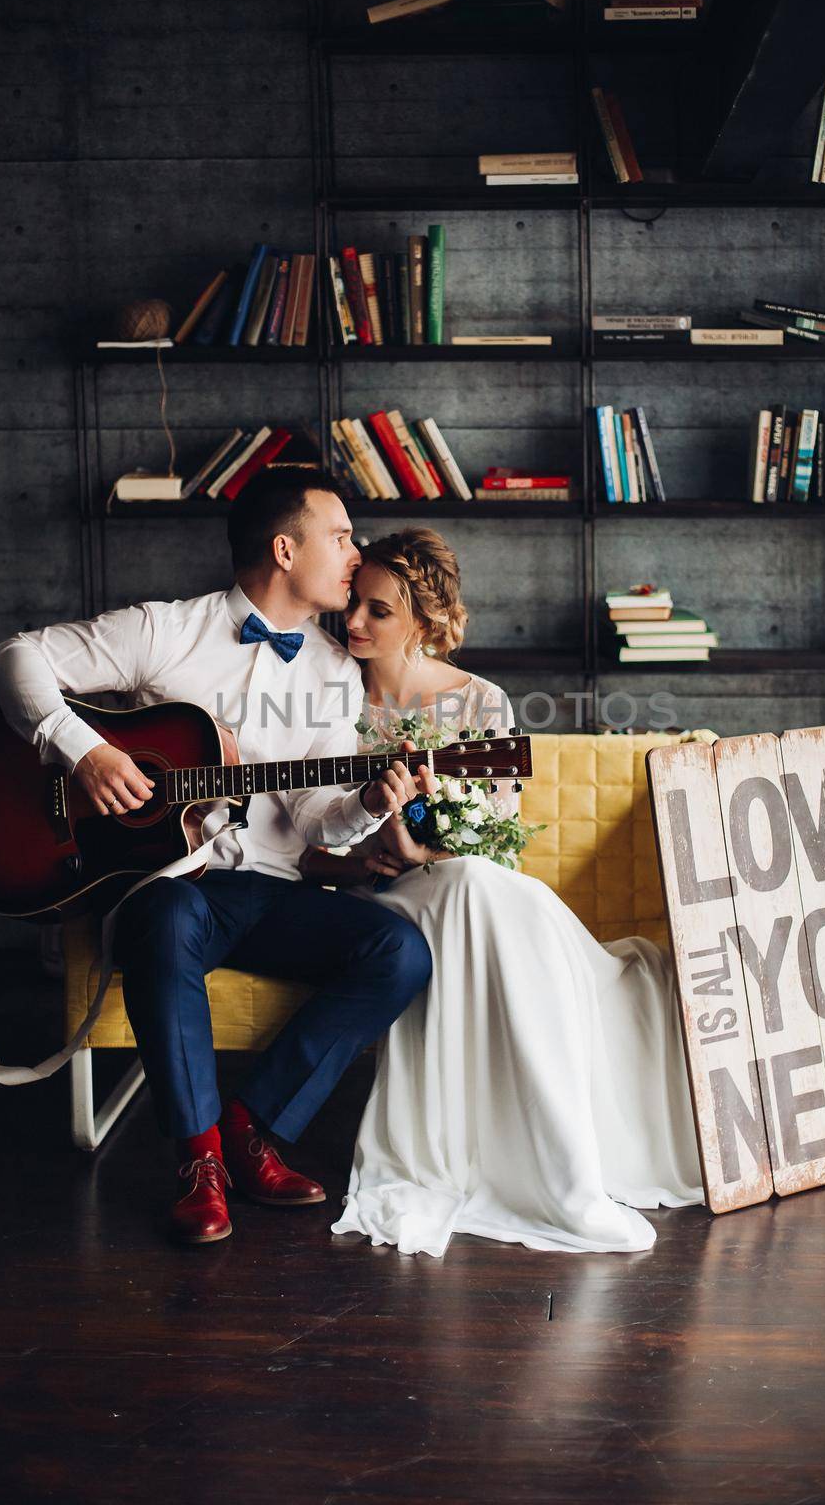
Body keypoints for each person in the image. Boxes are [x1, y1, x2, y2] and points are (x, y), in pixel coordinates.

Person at [0, 468, 438, 1245]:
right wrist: (85, 753)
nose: (354, 552)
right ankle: (197, 1162)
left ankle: (250, 1125)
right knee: (165, 916)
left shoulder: (333, 673)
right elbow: (16, 656)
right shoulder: (170, 630)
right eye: (340, 537)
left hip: (264, 889)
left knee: (397, 950)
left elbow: (311, 820)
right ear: (285, 548)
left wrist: (366, 805)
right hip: (161, 884)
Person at [298, 528, 705, 1257]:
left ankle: (566, 1162)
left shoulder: (479, 701)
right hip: (370, 902)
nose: (354, 623)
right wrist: (373, 849)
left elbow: (495, 833)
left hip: (459, 880)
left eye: (377, 611)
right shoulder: (322, 693)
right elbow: (301, 844)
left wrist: (423, 839)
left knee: (479, 883)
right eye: (353, 605)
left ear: (423, 621)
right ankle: (539, 1167)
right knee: (469, 890)